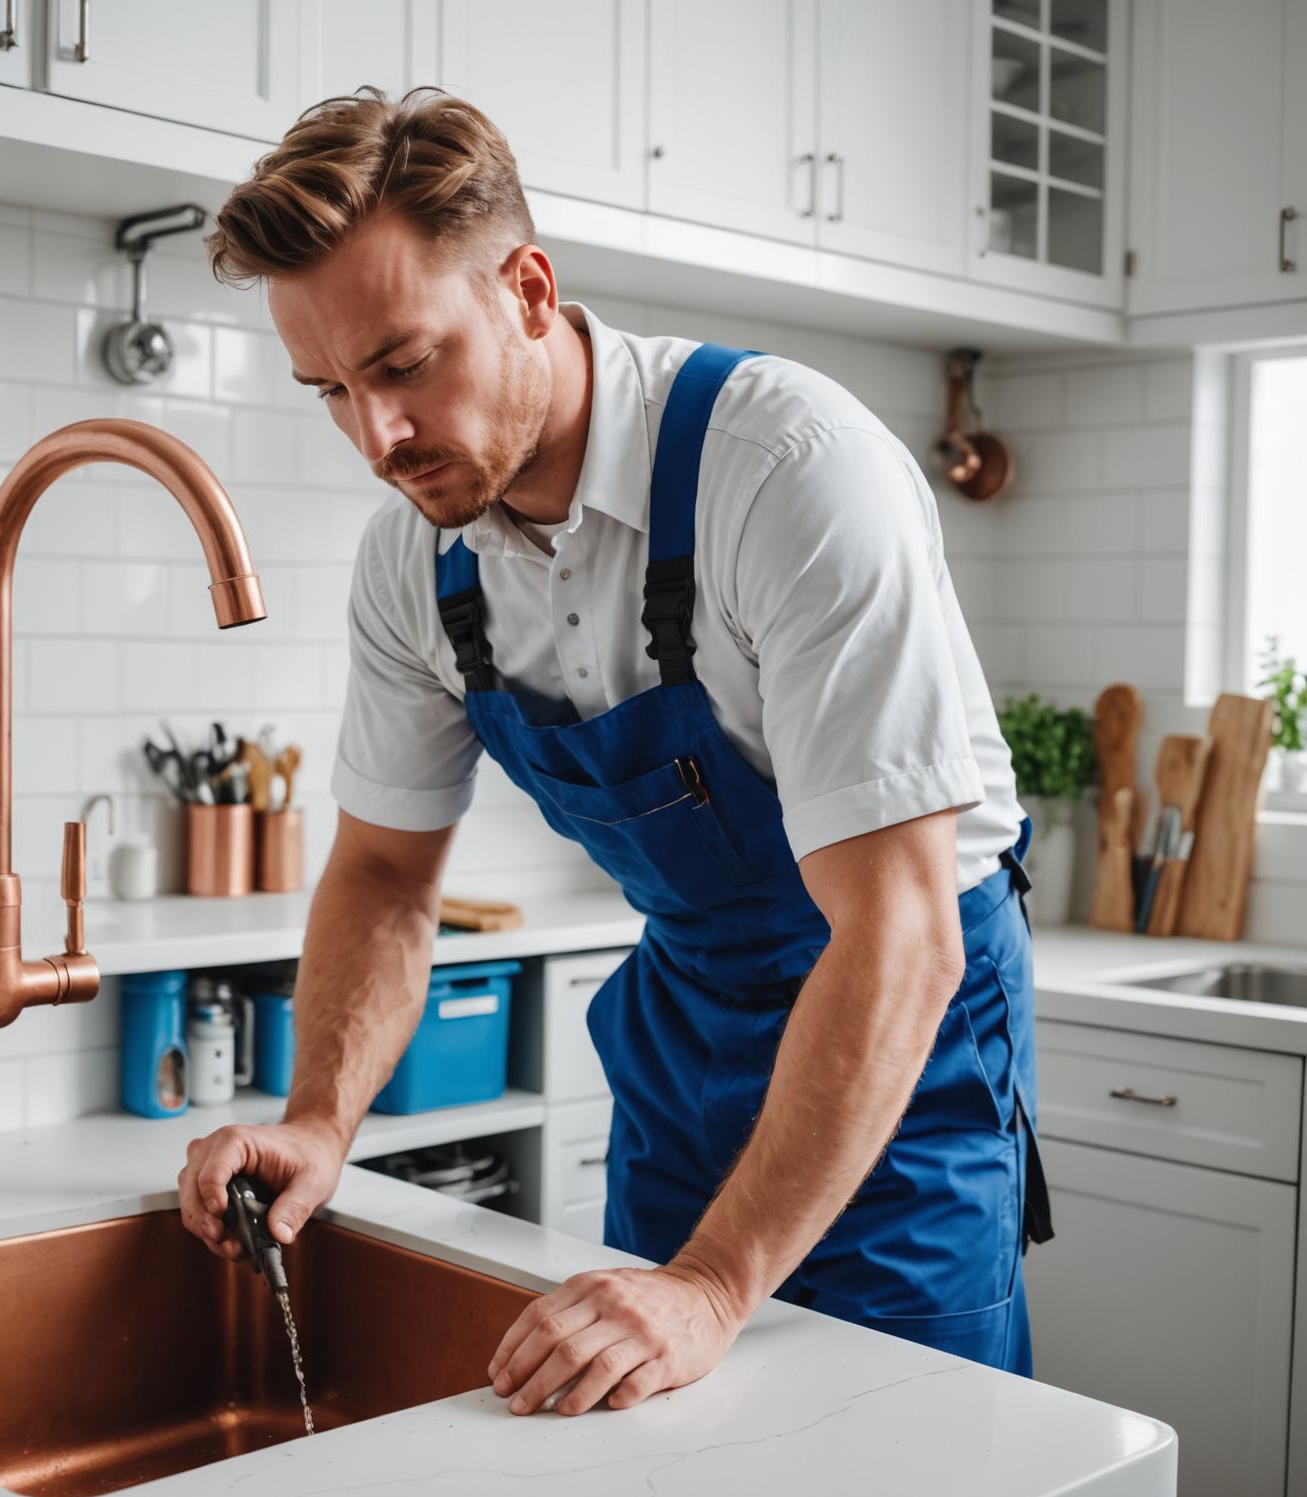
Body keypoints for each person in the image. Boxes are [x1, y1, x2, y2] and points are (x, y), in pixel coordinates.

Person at [176, 85, 1052, 1420]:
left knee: (899, 1460)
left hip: (904, 1057)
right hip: (684, 1038)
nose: (378, 440)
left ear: (528, 286)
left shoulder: (785, 470)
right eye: (330, 391)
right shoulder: (415, 561)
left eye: (404, 366)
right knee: (651, 1455)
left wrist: (713, 1284)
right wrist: (317, 1120)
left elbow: (903, 934)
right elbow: (383, 877)